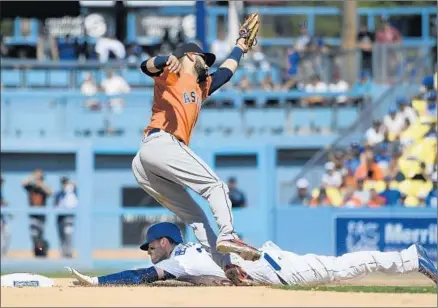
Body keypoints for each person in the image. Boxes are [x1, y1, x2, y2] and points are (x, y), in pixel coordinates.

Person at [132, 38, 261, 265]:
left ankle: (227, 267)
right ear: (191, 56)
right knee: (215, 186)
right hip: (161, 142)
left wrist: (240, 47)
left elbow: (227, 72)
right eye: (203, 58)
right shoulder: (172, 73)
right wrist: (165, 59)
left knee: (196, 217)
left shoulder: (203, 85)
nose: (206, 63)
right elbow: (145, 65)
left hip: (148, 159)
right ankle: (228, 234)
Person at [66, 222, 230, 286]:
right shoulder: (189, 249)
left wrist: (96, 281)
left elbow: (140, 276)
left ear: (164, 242)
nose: (149, 252)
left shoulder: (178, 260)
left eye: (151, 248)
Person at [224, 241, 437, 286]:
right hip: (268, 265)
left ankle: (409, 258)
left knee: (340, 267)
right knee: (340, 270)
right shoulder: (197, 253)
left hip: (277, 270)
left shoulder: (193, 260)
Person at [22, 169, 52, 257]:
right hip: (33, 215)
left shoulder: (43, 187)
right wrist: (33, 177)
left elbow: (50, 192)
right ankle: (38, 252)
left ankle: (42, 252)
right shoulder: (31, 186)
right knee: (34, 235)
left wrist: (40, 183)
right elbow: (23, 183)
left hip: (41, 216)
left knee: (40, 236)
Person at [54, 177, 78, 258]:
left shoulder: (72, 192)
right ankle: (63, 254)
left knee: (68, 234)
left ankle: (69, 253)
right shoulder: (59, 193)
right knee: (62, 236)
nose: (64, 184)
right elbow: (56, 204)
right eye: (63, 182)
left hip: (69, 217)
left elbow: (76, 185)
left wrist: (71, 185)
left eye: (65, 182)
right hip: (60, 216)